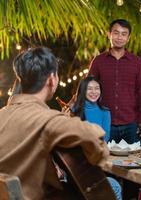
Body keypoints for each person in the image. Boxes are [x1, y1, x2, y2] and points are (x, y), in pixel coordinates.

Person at [0, 47, 121, 200]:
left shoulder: (2, 113)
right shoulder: (47, 119)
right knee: (111, 187)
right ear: (52, 80)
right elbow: (96, 141)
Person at [89, 19, 141, 145]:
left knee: (136, 162)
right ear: (109, 34)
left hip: (132, 125)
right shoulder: (98, 61)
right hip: (104, 124)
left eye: (123, 34)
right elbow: (87, 89)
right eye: (116, 33)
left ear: (128, 38)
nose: (119, 37)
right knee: (105, 163)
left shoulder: (136, 62)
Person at [72, 76, 111, 142]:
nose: (94, 92)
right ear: (83, 91)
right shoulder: (74, 110)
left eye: (97, 88)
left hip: (98, 149)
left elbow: (105, 137)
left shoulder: (105, 112)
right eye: (89, 89)